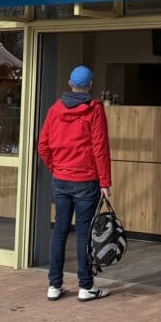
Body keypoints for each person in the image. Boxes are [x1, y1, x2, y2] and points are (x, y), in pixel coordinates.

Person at [37, 64, 112, 302]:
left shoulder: (54, 110)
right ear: (90, 86)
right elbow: (100, 147)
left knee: (59, 231)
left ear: (70, 84)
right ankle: (85, 287)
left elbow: (43, 146)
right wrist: (105, 181)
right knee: (83, 234)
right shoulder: (95, 110)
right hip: (86, 181)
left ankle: (54, 285)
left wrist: (57, 167)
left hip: (61, 180)